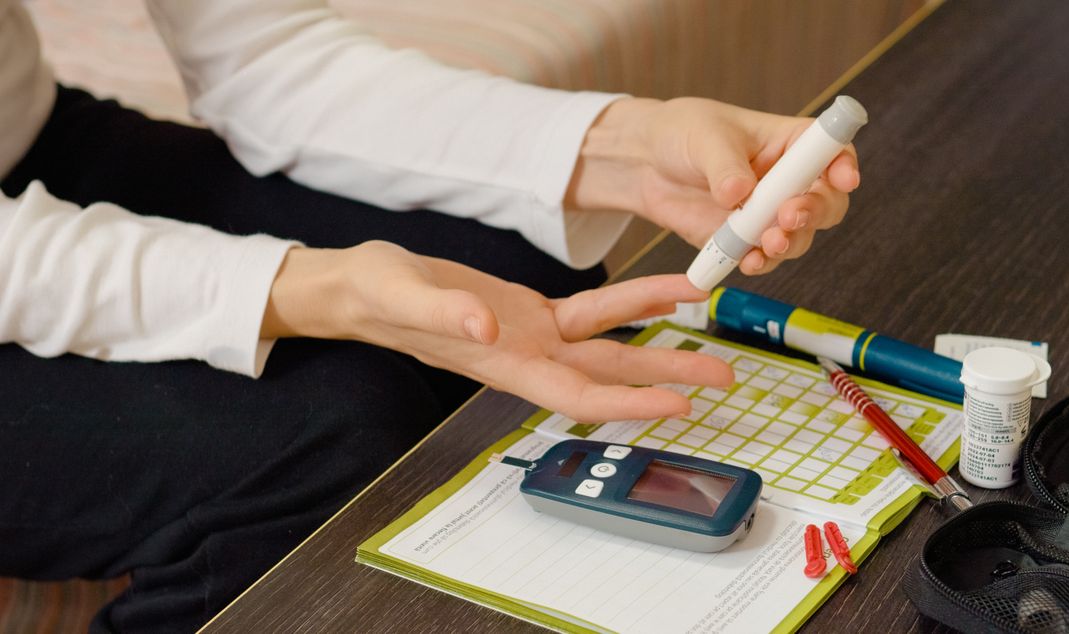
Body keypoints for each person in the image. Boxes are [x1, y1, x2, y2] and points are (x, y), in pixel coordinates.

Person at [0, 1, 860, 631]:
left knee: (523, 268)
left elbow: (260, 54)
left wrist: (626, 149)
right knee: (331, 431)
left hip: (34, 137)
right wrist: (321, 291)